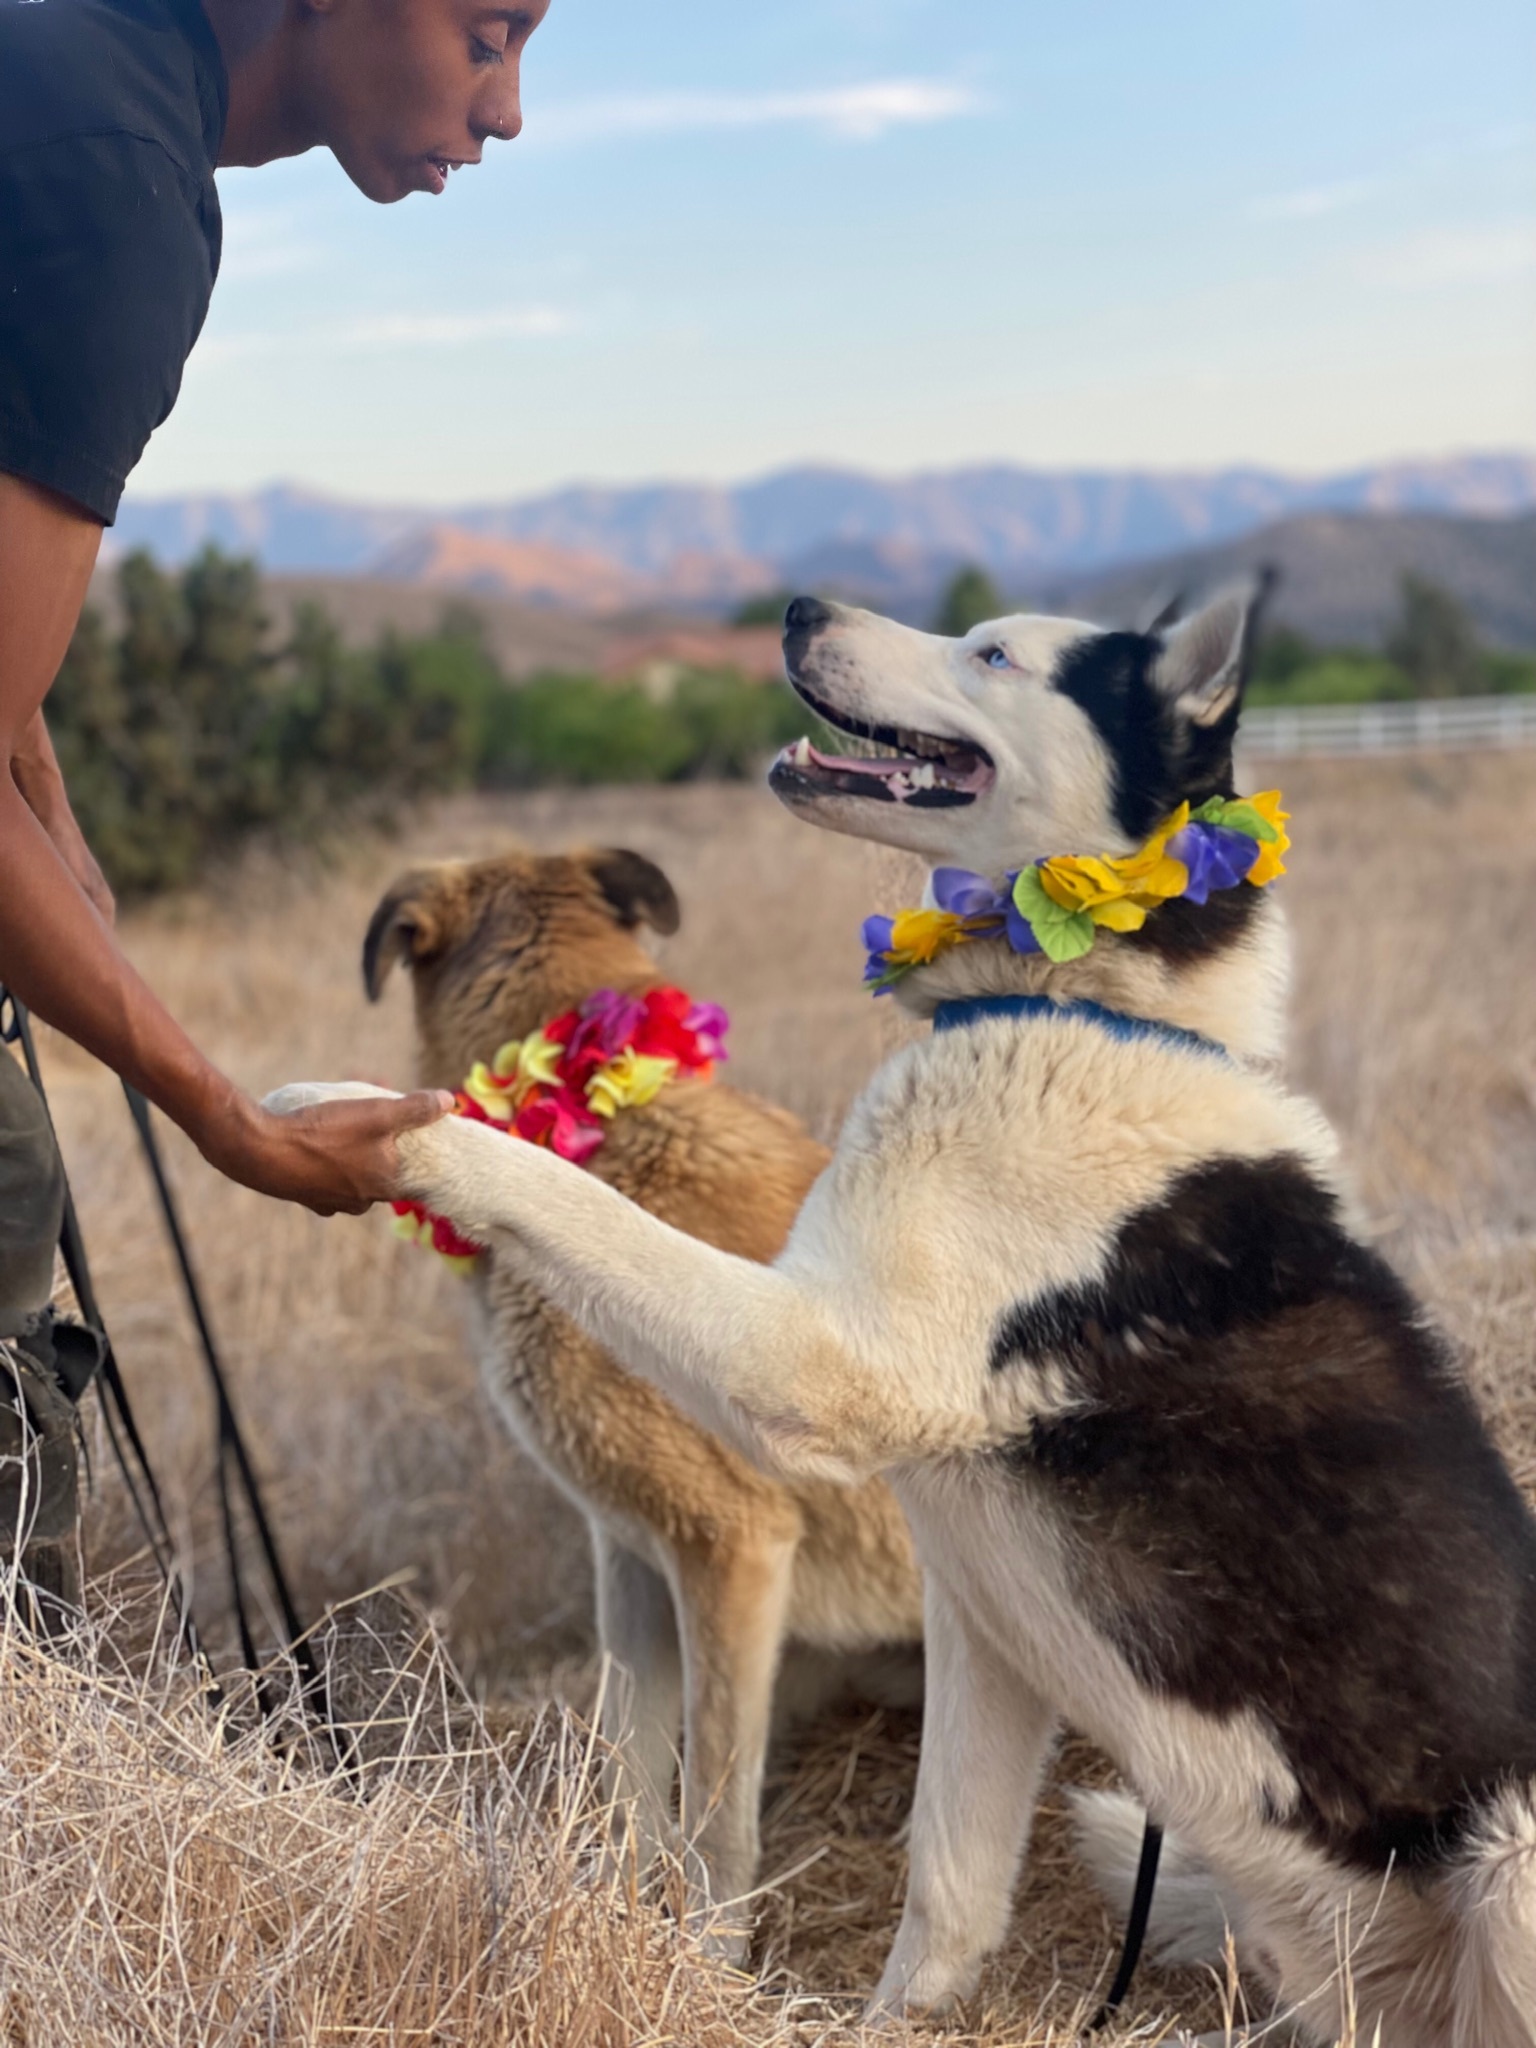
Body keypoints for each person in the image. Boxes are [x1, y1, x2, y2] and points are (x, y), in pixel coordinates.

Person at [0, 0, 550, 1583]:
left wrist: (42, 784)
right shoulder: (118, 189)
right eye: (489, 32)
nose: (504, 111)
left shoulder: (70, 79)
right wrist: (233, 1124)